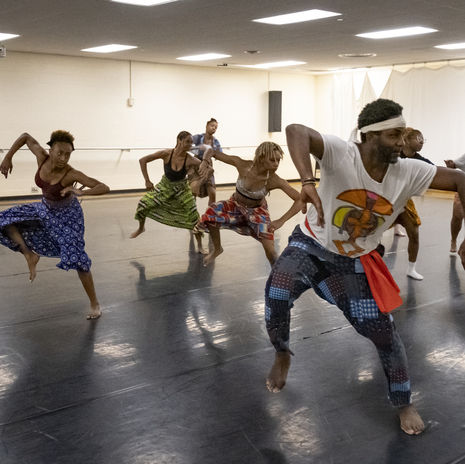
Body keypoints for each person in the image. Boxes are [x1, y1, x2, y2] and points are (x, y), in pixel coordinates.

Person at [264, 98, 465, 436]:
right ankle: (282, 353)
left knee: (384, 333)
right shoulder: (342, 153)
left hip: (353, 264)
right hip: (309, 246)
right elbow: (296, 130)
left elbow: (461, 179)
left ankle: (403, 401)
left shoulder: (410, 170)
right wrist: (307, 182)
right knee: (276, 293)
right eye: (393, 136)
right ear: (369, 136)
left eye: (403, 134)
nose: (402, 143)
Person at [0, 130, 110, 319]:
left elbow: (103, 187)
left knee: (78, 258)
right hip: (45, 209)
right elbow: (26, 136)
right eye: (60, 152)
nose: (63, 158)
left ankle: (95, 304)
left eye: (68, 154)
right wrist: (7, 158)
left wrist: (81, 192)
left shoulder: (71, 173)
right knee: (5, 220)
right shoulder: (41, 157)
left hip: (68, 217)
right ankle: (30, 255)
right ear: (50, 150)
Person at [197, 142, 302, 266]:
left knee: (272, 253)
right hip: (235, 205)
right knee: (212, 211)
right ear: (262, 158)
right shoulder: (242, 165)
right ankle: (217, 249)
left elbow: (300, 200)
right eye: (272, 160)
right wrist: (205, 160)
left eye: (278, 160)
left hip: (257, 212)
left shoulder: (274, 180)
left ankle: (277, 279)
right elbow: (212, 151)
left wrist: (281, 220)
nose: (276, 164)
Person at [130, 131, 210, 254]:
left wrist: (200, 181)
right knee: (143, 203)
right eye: (187, 141)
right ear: (179, 140)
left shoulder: (190, 159)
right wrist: (147, 181)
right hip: (165, 186)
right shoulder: (166, 153)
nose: (190, 144)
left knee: (194, 215)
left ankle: (199, 245)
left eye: (191, 142)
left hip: (182, 189)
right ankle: (141, 228)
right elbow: (143, 160)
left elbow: (210, 170)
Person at [393, 128, 434, 280]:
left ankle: (411, 268)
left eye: (423, 138)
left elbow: (434, 171)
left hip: (403, 200)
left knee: (414, 233)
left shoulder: (420, 160)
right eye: (418, 138)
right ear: (406, 139)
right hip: (385, 199)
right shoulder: (393, 153)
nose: (422, 141)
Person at [188, 118, 222, 204]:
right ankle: (192, 213)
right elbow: (186, 145)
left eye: (216, 127)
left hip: (208, 166)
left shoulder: (216, 142)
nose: (214, 128)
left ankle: (210, 214)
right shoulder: (198, 137)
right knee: (193, 192)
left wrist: (214, 154)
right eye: (212, 125)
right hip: (196, 164)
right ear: (207, 126)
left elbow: (220, 154)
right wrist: (198, 149)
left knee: (212, 192)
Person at [444, 154, 465, 253]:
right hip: (463, 187)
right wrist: (451, 164)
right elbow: (454, 165)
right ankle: (453, 240)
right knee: (457, 216)